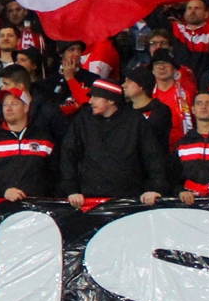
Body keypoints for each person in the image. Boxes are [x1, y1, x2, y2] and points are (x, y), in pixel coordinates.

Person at [61, 77, 168, 210]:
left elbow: (153, 156)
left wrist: (155, 188)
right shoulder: (83, 120)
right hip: (90, 199)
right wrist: (71, 190)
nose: (90, 101)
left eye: (96, 97)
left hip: (130, 200)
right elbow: (68, 154)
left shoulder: (135, 121)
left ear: (111, 100)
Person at [0, 84, 59, 202]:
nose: (8, 108)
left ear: (26, 108)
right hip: (1, 206)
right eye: (5, 104)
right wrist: (4, 191)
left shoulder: (45, 140)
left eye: (14, 104)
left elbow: (56, 175)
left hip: (37, 208)